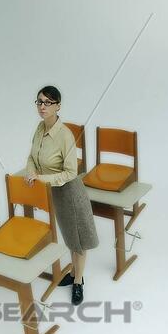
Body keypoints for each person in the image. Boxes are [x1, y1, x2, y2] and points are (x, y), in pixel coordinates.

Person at [25, 85, 99, 305]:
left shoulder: (65, 135)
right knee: (70, 238)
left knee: (79, 242)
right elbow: (31, 156)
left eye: (48, 102)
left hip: (70, 192)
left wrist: (41, 179)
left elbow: (70, 172)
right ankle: (76, 273)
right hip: (56, 193)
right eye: (39, 101)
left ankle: (78, 282)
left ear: (58, 106)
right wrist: (31, 171)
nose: (42, 106)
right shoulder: (39, 128)